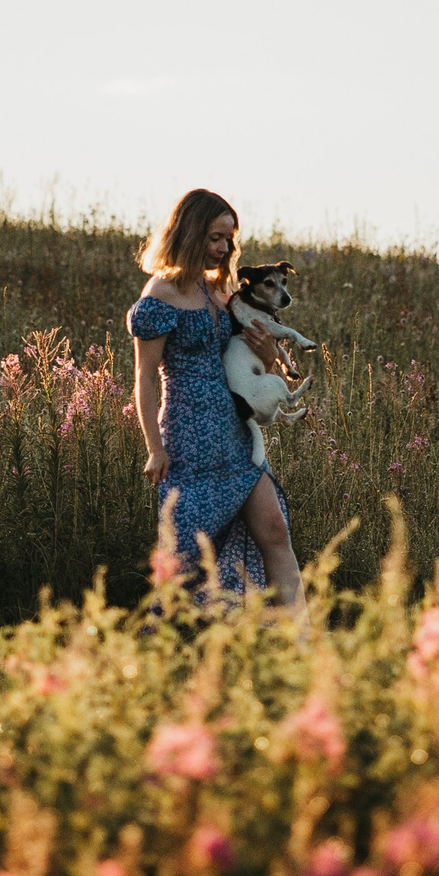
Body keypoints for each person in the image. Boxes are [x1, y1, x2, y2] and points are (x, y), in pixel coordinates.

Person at [126, 188, 301, 607]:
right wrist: (154, 448)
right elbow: (145, 378)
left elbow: (249, 362)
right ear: (189, 234)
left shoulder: (219, 293)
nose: (224, 249)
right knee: (184, 561)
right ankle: (164, 637)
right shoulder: (160, 294)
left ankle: (302, 639)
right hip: (189, 443)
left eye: (229, 239)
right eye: (214, 238)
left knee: (275, 530)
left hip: (235, 436)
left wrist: (269, 357)